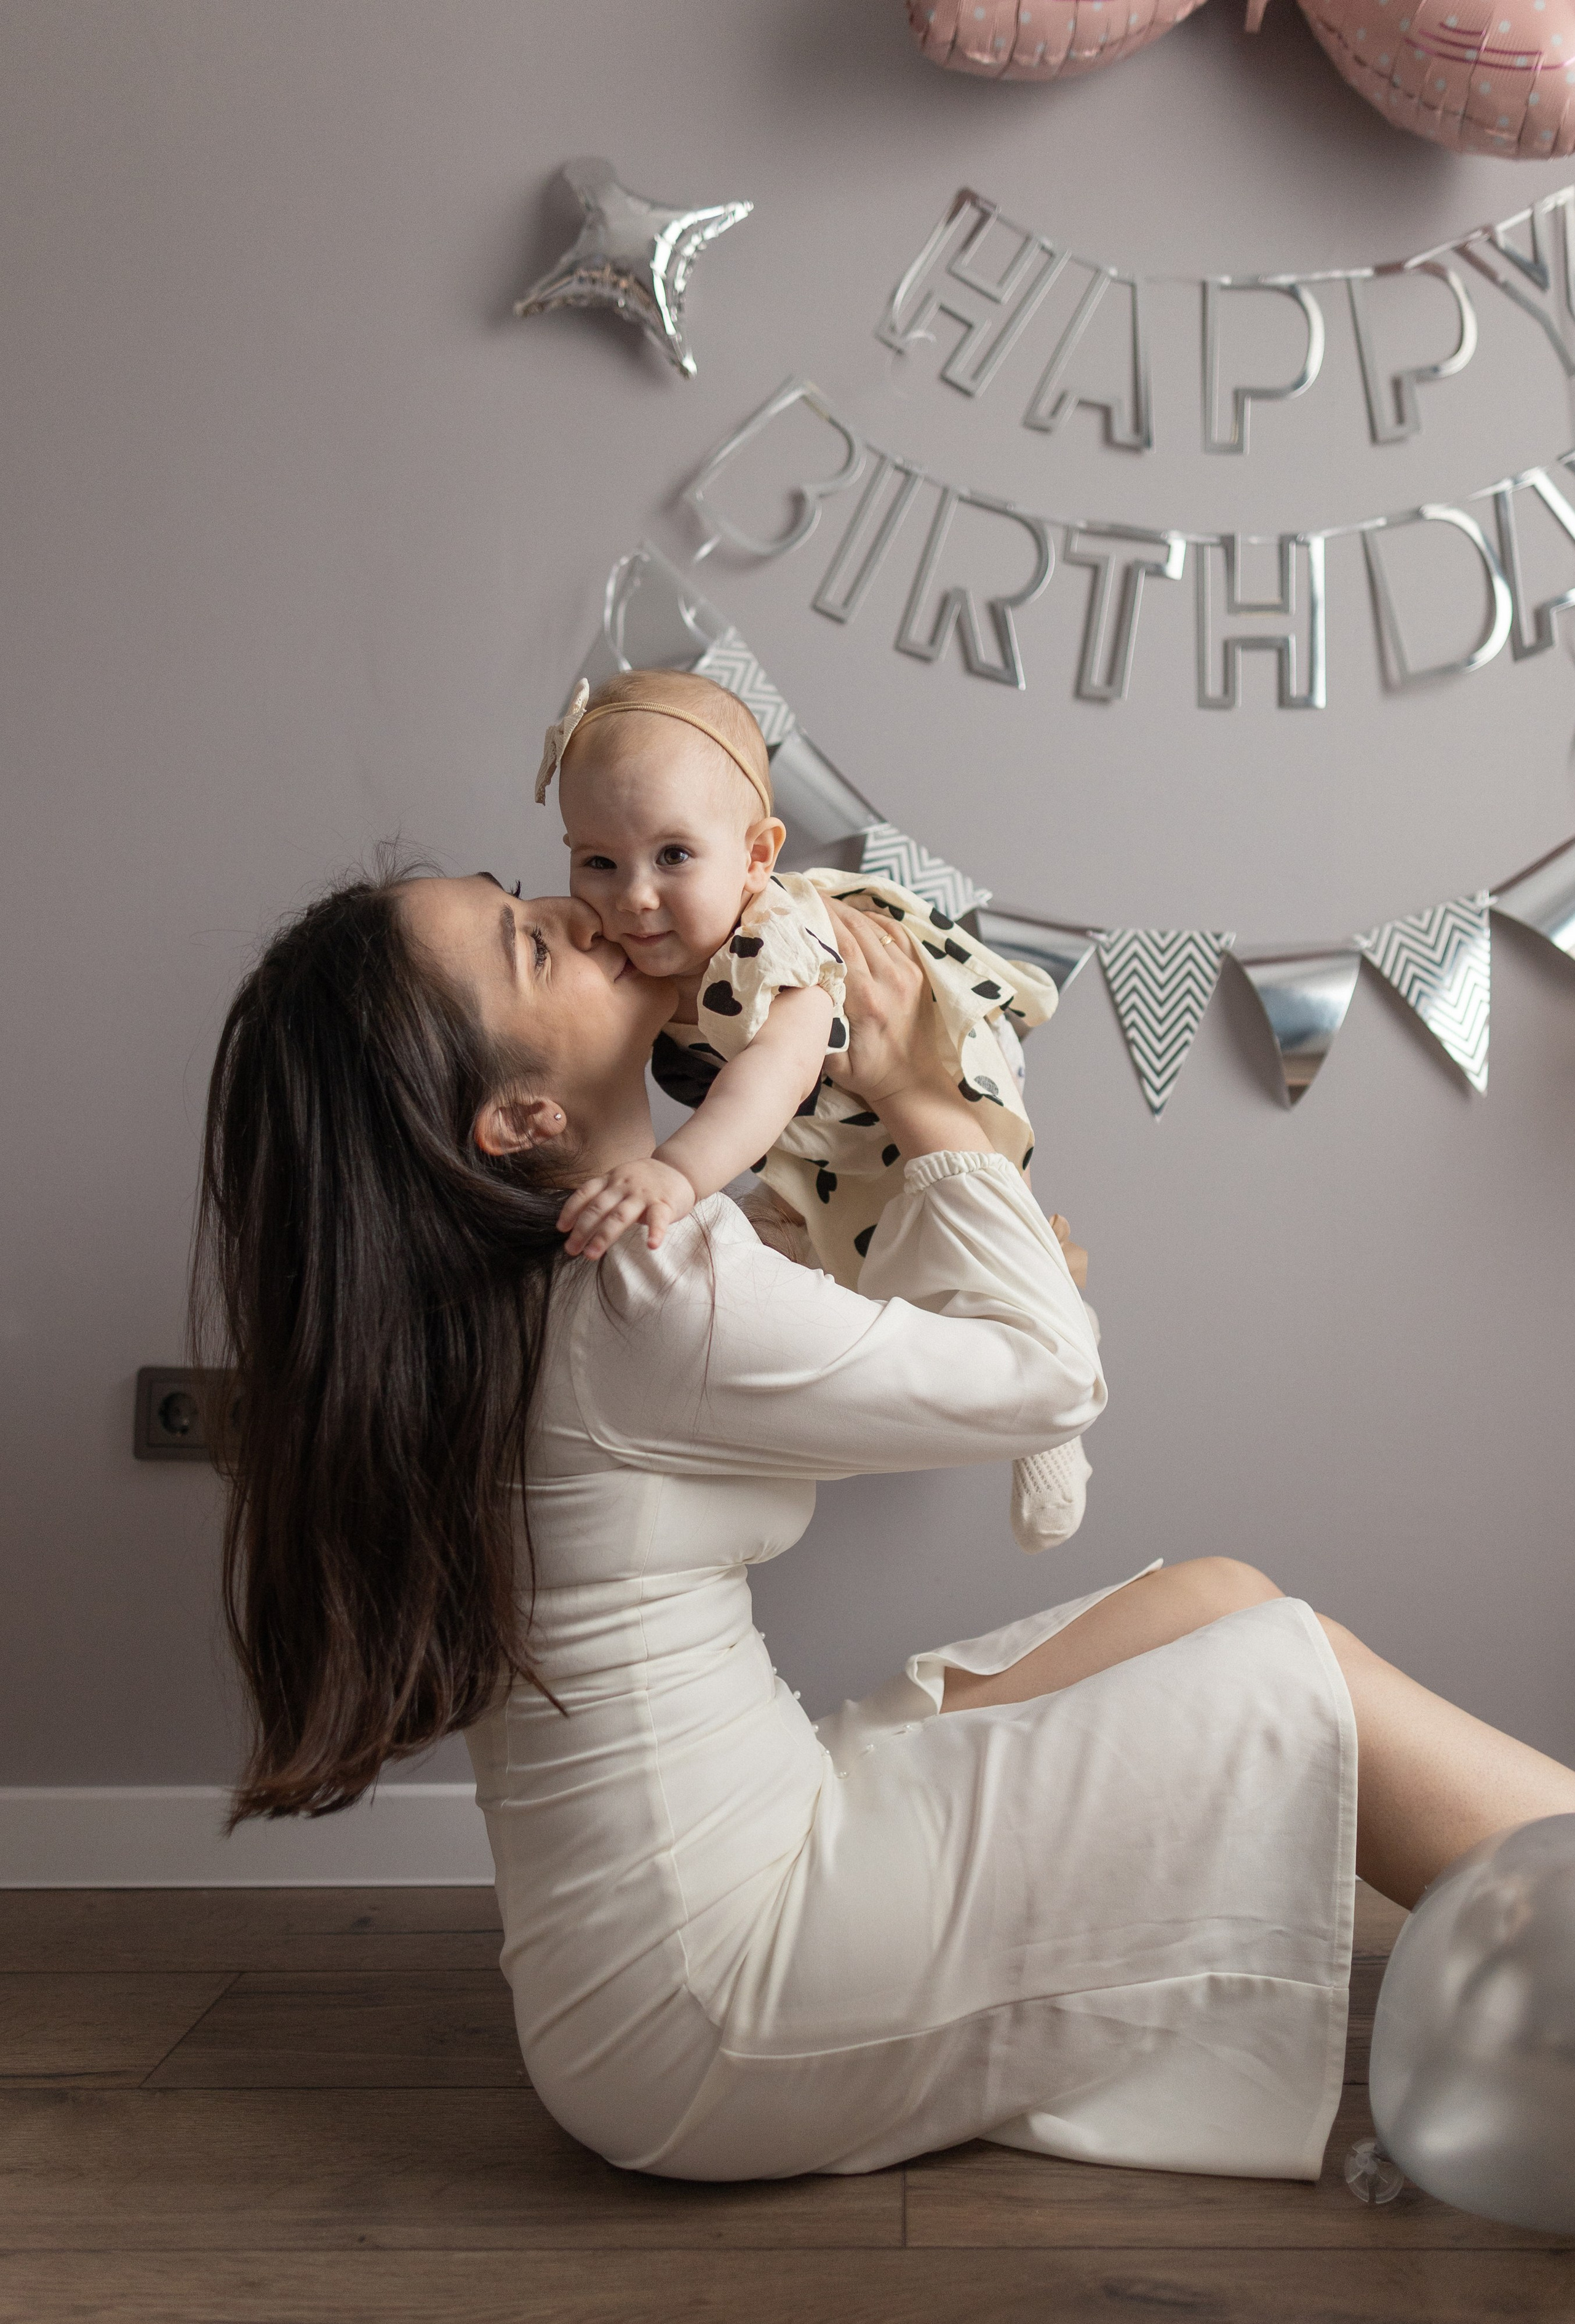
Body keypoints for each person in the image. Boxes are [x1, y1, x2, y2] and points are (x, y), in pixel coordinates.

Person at [197, 862, 1575, 2183]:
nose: (582, 907)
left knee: (1212, 1603)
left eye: (523, 896)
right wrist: (930, 1103)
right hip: (718, 2001)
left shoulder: (566, 1283)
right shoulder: (644, 1299)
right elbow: (1045, 1383)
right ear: (517, 1120)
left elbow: (868, 1353)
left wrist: (983, 1230)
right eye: (533, 944)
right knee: (1303, 1685)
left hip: (657, 1967)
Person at [535, 666, 1091, 1556]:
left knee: (959, 1261)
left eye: (673, 856)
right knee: (785, 1253)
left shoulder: (777, 934)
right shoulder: (648, 943)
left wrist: (678, 1171)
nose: (633, 896)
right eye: (598, 860)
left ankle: (1050, 1420)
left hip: (924, 1075)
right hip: (812, 1146)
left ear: (757, 856)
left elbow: (781, 1071)